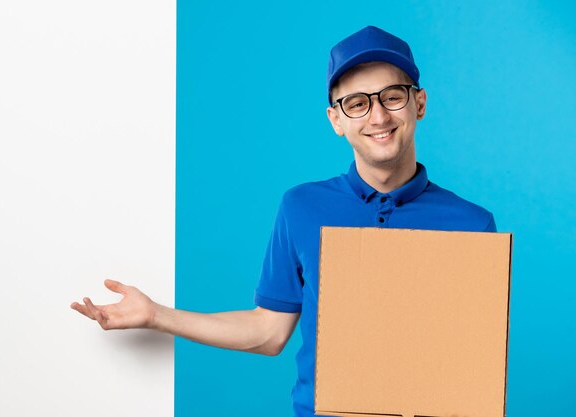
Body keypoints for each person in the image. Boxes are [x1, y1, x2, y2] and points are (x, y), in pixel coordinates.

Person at [71, 25, 497, 417]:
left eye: (392, 96)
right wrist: (157, 315)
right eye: (357, 103)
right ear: (336, 119)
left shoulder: (472, 225)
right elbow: (269, 331)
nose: (378, 116)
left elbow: (470, 367)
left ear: (419, 103)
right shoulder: (302, 207)